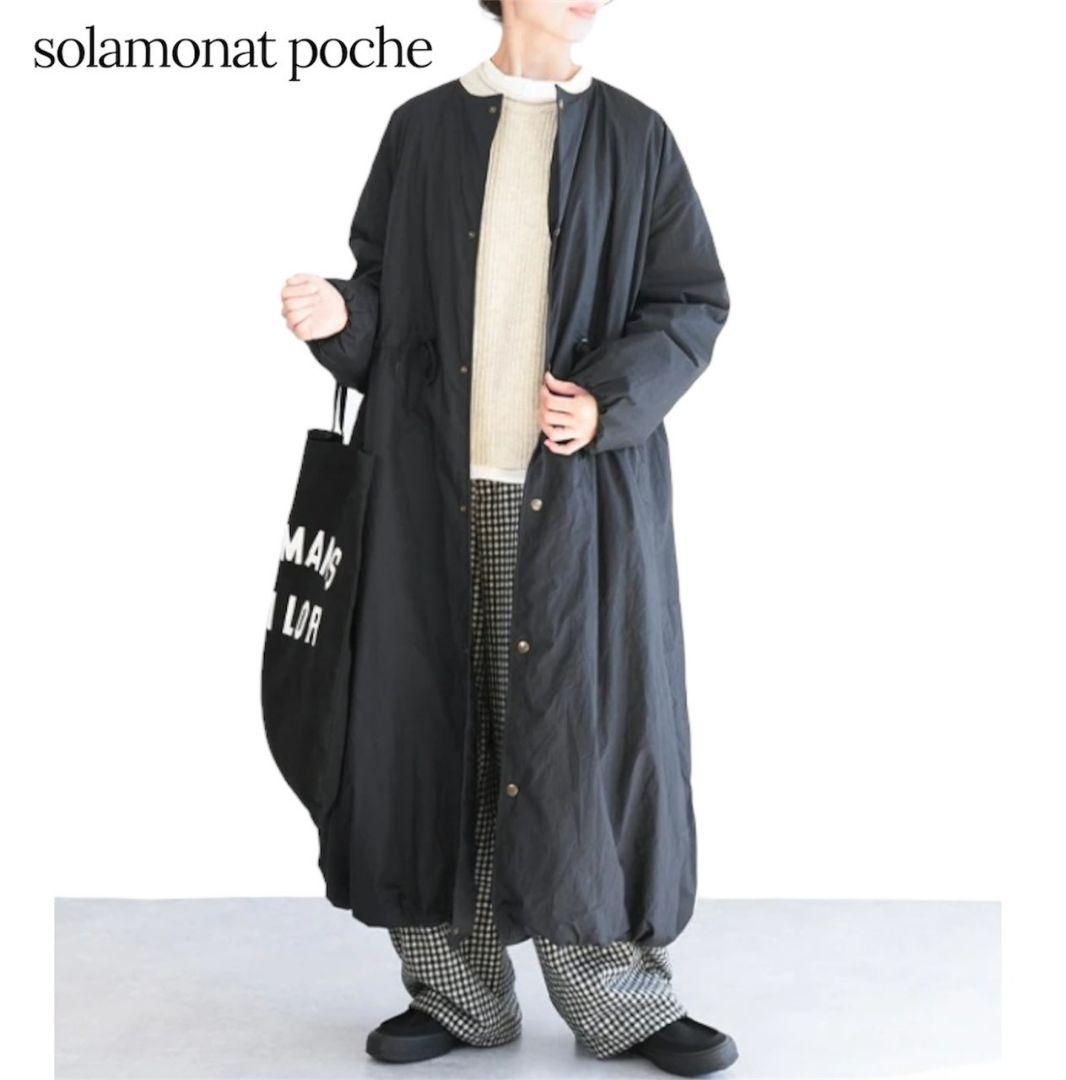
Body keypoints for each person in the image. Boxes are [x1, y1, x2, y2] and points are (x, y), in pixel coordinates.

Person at [279, 1, 734, 1074]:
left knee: (581, 745)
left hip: (577, 501)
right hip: (430, 491)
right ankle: (458, 996)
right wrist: (341, 315)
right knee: (431, 735)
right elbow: (383, 295)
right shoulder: (423, 129)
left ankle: (620, 1001)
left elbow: (690, 301)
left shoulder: (635, 136)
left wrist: (609, 400)